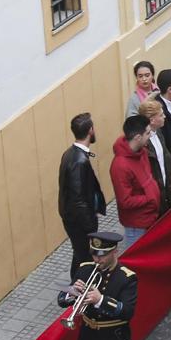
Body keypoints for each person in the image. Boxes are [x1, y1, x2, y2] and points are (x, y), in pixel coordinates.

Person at [56, 232, 137, 340]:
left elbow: (127, 312)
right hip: (87, 337)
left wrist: (100, 300)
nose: (97, 259)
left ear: (115, 251)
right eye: (94, 254)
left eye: (103, 255)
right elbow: (61, 300)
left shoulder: (126, 278)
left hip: (112, 339)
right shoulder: (85, 269)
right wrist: (73, 293)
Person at [58, 112, 107, 280]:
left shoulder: (69, 153)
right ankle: (77, 287)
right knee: (84, 257)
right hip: (79, 222)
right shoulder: (80, 161)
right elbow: (78, 198)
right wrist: (90, 225)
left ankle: (76, 285)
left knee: (79, 253)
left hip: (72, 218)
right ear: (90, 131)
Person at [110, 115, 160, 247]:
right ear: (138, 137)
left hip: (150, 217)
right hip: (136, 226)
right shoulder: (120, 166)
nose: (151, 135)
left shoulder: (142, 152)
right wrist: (150, 197)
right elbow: (125, 201)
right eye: (148, 133)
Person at [139, 99, 171, 215]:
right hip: (155, 199)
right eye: (161, 115)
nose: (164, 117)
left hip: (167, 192)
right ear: (152, 120)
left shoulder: (158, 133)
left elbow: (166, 164)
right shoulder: (143, 143)